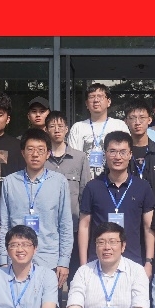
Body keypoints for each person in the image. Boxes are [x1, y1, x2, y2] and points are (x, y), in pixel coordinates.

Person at [0, 129, 73, 281]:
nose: (35, 154)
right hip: (16, 259)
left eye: (40, 150)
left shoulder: (59, 182)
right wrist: (3, 259)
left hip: (49, 259)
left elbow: (65, 224)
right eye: (30, 149)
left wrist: (64, 261)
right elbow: (4, 224)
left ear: (48, 153)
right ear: (23, 153)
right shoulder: (10, 182)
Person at [78, 132, 155, 269]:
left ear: (130, 155)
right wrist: (84, 265)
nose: (118, 157)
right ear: (105, 154)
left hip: (132, 261)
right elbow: (84, 226)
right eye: (112, 151)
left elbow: (148, 226)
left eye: (123, 152)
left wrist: (149, 261)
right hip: (98, 262)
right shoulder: (93, 187)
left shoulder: (142, 187)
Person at [45, 110, 91, 261]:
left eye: (60, 126)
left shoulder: (80, 158)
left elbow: (85, 193)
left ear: (67, 129)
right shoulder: (41, 159)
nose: (57, 130)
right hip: (47, 228)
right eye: (52, 126)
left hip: (74, 226)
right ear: (46, 130)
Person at [65, 84, 129, 179]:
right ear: (86, 104)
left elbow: (126, 154)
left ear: (108, 102)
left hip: (113, 181)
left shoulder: (119, 125)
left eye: (100, 96)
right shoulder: (78, 127)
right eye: (92, 97)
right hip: (85, 181)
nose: (96, 100)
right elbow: (72, 159)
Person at [125, 101, 155, 203]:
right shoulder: (121, 153)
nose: (137, 122)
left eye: (142, 118)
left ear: (149, 120)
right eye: (132, 118)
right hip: (127, 207)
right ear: (126, 121)